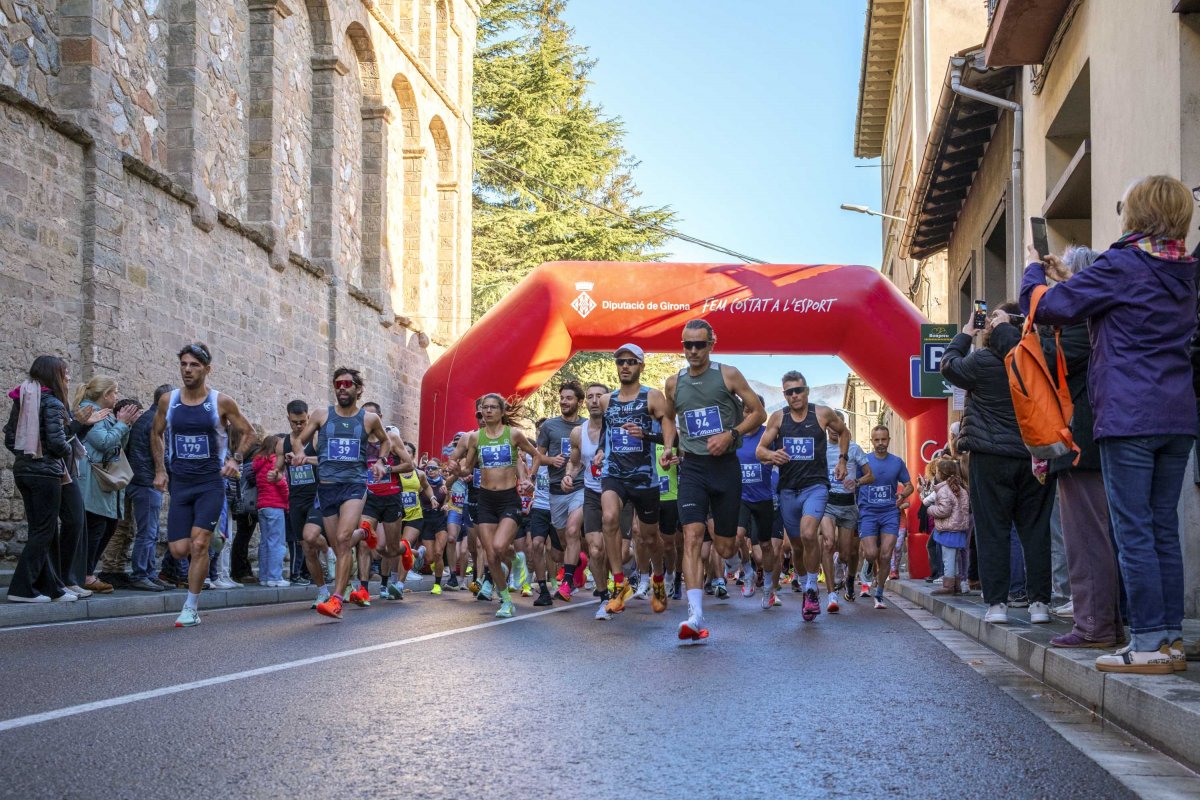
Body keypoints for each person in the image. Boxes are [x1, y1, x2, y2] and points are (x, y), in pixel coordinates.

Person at [1022, 175, 1197, 673]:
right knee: (1163, 529)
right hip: (1177, 415)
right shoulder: (1184, 269)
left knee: (1134, 530)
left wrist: (1035, 276)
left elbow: (1050, 310)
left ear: (1136, 215)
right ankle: (1168, 642)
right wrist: (1069, 278)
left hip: (1129, 414)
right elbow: (1109, 301)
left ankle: (1142, 645)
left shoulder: (1123, 263)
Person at [1030, 245, 1124, 649]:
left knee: (1085, 537)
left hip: (1080, 438)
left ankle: (1094, 624)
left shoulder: (1079, 322)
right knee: (1102, 534)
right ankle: (1106, 622)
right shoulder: (1098, 316)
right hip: (1099, 434)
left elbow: (1048, 362)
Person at [941, 302, 1056, 626]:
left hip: (990, 458)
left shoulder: (983, 361)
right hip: (1035, 454)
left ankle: (997, 605)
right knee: (1035, 531)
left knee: (993, 532)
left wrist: (966, 332)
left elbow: (949, 365)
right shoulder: (1036, 359)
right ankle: (1039, 605)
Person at [663, 320, 767, 641]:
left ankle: (742, 564)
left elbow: (758, 413)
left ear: (712, 344)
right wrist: (670, 447)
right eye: (687, 345)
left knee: (723, 546)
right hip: (692, 467)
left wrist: (731, 434)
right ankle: (695, 617)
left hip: (725, 467)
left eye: (699, 345)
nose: (693, 351)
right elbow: (670, 418)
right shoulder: (673, 383)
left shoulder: (728, 374)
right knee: (692, 535)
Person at [152, 342, 256, 627]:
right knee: (178, 549)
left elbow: (249, 433)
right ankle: (213, 535)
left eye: (194, 365)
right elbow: (156, 434)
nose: (187, 369)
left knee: (198, 545)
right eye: (184, 364)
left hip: (211, 483)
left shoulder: (221, 402)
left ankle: (191, 606)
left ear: (207, 369)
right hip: (181, 484)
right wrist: (161, 470)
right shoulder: (168, 401)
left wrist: (235, 459)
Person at [290, 368, 402, 620]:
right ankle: (364, 532)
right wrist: (299, 452)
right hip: (327, 487)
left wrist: (381, 461)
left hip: (354, 485)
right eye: (337, 383)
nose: (341, 387)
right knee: (338, 546)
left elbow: (386, 442)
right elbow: (300, 440)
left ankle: (336, 600)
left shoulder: (368, 420)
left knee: (341, 538)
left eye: (347, 384)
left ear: (358, 389)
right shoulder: (321, 415)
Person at [756, 371, 850, 621]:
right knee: (796, 547)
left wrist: (843, 460)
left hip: (815, 486)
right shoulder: (778, 418)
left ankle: (811, 588)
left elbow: (844, 432)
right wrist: (771, 456)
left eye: (799, 390)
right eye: (789, 392)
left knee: (810, 533)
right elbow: (760, 450)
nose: (795, 395)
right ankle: (804, 577)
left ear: (807, 391)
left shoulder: (821, 414)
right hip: (788, 490)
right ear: (784, 394)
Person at [447, 393, 547, 618]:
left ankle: (513, 559)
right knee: (491, 554)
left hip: (508, 499)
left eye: (493, 407)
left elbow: (537, 456)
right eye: (485, 407)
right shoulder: (475, 438)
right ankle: (506, 599)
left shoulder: (513, 434)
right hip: (485, 500)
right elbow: (467, 469)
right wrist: (457, 471)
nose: (488, 411)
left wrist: (529, 478)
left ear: (502, 412)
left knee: (499, 547)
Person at [595, 344, 676, 616]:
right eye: (620, 362)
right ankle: (619, 584)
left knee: (650, 537)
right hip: (614, 473)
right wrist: (599, 452)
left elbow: (667, 423)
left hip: (644, 478)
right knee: (609, 519)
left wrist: (665, 447)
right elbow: (606, 433)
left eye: (630, 361)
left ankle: (658, 579)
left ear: (641, 365)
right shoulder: (607, 400)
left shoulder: (651, 396)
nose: (625, 366)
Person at [4, 356, 78, 602]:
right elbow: (58, 443)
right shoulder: (53, 403)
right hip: (45, 474)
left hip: (23, 470)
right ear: (53, 374)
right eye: (63, 372)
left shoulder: (23, 399)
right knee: (45, 531)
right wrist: (69, 449)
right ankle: (22, 588)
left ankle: (51, 587)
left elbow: (9, 439)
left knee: (42, 530)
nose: (66, 377)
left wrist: (28, 456)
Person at [75, 375, 140, 594]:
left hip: (103, 478)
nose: (117, 396)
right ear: (105, 395)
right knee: (96, 526)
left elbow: (118, 445)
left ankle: (86, 573)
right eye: (115, 392)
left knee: (107, 526)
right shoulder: (90, 412)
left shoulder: (106, 415)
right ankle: (84, 575)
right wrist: (122, 424)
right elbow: (103, 442)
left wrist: (123, 425)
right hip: (92, 478)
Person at [563, 383, 612, 619]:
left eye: (599, 396)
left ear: (607, 400)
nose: (594, 400)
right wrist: (569, 476)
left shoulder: (618, 428)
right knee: (595, 548)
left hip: (619, 492)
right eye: (590, 396)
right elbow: (575, 462)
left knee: (622, 552)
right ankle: (604, 598)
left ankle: (631, 573)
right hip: (593, 493)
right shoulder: (577, 433)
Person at [853, 426, 915, 610]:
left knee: (886, 554)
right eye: (877, 440)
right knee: (871, 553)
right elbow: (854, 484)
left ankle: (879, 593)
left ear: (888, 440)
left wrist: (903, 495)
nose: (881, 443)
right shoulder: (864, 463)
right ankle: (868, 565)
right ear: (872, 441)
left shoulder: (897, 462)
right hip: (868, 513)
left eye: (884, 440)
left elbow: (909, 485)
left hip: (889, 513)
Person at [536, 382, 587, 602]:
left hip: (581, 485)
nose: (564, 402)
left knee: (573, 530)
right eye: (562, 398)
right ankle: (577, 564)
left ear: (579, 402)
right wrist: (550, 460)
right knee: (561, 547)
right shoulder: (549, 426)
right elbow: (539, 456)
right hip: (556, 489)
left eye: (569, 398)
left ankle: (566, 583)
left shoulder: (588, 426)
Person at [820, 411, 873, 606]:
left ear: (843, 426)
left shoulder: (854, 448)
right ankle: (831, 594)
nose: (834, 429)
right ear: (826, 428)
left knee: (845, 553)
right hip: (827, 502)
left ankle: (840, 567)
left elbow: (870, 475)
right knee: (828, 543)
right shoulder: (821, 448)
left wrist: (857, 481)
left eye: (838, 425)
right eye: (831, 426)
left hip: (848, 503)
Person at [125, 384, 174, 591]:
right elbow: (163, 455)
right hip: (146, 483)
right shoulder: (155, 421)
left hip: (143, 481)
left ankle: (149, 573)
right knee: (147, 532)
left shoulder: (150, 418)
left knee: (151, 532)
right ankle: (140, 574)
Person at [735, 395, 782, 610]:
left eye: (753, 410)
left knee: (765, 548)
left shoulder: (768, 435)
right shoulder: (736, 434)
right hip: (741, 497)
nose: (749, 414)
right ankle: (748, 572)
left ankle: (769, 589)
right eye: (745, 410)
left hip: (763, 498)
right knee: (736, 538)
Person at [922, 457, 970, 596]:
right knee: (954, 558)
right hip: (959, 529)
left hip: (948, 530)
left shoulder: (943, 491)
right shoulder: (961, 488)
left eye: (936, 471)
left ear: (940, 474)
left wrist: (930, 510)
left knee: (948, 558)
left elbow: (944, 510)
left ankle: (948, 586)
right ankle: (957, 584)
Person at [254, 434, 290, 587]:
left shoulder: (259, 462)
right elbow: (281, 484)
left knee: (265, 543)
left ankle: (264, 576)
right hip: (275, 506)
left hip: (262, 506)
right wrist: (288, 499)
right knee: (277, 542)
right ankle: (275, 577)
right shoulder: (275, 462)